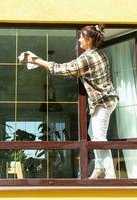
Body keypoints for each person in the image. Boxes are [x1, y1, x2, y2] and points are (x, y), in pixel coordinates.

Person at [23, 24, 119, 179]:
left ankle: (110, 175)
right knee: (92, 133)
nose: (79, 39)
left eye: (81, 37)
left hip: (103, 101)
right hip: (105, 100)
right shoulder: (98, 54)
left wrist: (37, 61)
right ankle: (100, 168)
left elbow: (62, 69)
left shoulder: (88, 58)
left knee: (99, 137)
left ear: (89, 40)